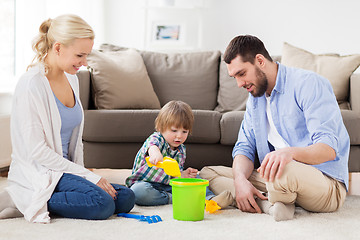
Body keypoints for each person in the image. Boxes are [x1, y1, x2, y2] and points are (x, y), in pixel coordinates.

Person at [0, 14, 134, 223]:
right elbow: (38, 151)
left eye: (87, 55)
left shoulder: (72, 78)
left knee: (125, 197)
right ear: (58, 48)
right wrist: (88, 176)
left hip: (66, 172)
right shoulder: (31, 85)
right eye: (80, 55)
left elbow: (75, 140)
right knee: (103, 204)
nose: (85, 62)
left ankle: (44, 200)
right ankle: (28, 199)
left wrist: (84, 175)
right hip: (42, 172)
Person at [200, 35, 349, 221]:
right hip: (276, 179)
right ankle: (270, 204)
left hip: (324, 183)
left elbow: (328, 150)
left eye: (242, 74)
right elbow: (244, 147)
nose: (239, 84)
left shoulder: (309, 84)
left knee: (283, 170)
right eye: (234, 77)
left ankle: (272, 200)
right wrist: (240, 181)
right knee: (206, 173)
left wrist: (289, 154)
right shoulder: (255, 99)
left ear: (260, 61)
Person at [125, 100, 225, 206]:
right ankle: (177, 198)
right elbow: (152, 145)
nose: (179, 136)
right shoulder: (156, 138)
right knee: (138, 192)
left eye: (184, 132)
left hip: (168, 184)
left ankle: (210, 199)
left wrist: (184, 174)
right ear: (161, 128)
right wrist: (155, 153)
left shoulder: (181, 150)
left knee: (196, 178)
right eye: (174, 131)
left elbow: (175, 174)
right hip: (146, 184)